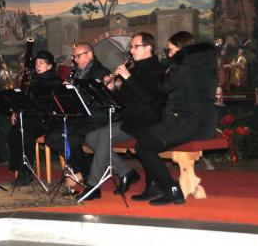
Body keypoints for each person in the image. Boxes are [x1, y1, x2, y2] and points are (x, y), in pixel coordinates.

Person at [77, 32, 166, 200]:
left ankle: (93, 185)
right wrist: (111, 90)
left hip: (149, 123)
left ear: (149, 48)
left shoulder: (158, 71)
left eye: (135, 46)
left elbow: (151, 100)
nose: (131, 50)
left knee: (103, 135)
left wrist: (128, 77)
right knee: (91, 137)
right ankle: (126, 172)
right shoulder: (133, 69)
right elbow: (123, 102)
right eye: (131, 47)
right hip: (131, 122)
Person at [133, 31, 217, 206]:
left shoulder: (182, 68)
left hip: (188, 121)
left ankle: (172, 189)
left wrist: (139, 74)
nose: (169, 54)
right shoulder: (204, 65)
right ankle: (155, 186)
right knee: (144, 138)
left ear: (182, 50)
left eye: (170, 50)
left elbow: (161, 87)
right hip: (203, 121)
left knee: (144, 145)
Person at [45, 43, 110, 185]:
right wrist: (67, 91)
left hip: (97, 118)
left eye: (77, 56)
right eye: (74, 57)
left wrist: (75, 91)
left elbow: (100, 101)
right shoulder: (77, 73)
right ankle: (85, 167)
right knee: (51, 138)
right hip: (81, 118)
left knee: (72, 139)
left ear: (89, 55)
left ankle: (84, 173)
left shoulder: (101, 72)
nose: (74, 60)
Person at [6, 50, 62, 185]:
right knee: (13, 132)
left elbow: (53, 107)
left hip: (47, 121)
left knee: (26, 132)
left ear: (49, 66)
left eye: (41, 63)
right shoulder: (33, 81)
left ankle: (27, 172)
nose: (37, 66)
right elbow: (25, 101)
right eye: (36, 63)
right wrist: (16, 111)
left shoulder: (56, 82)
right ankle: (19, 169)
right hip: (30, 119)